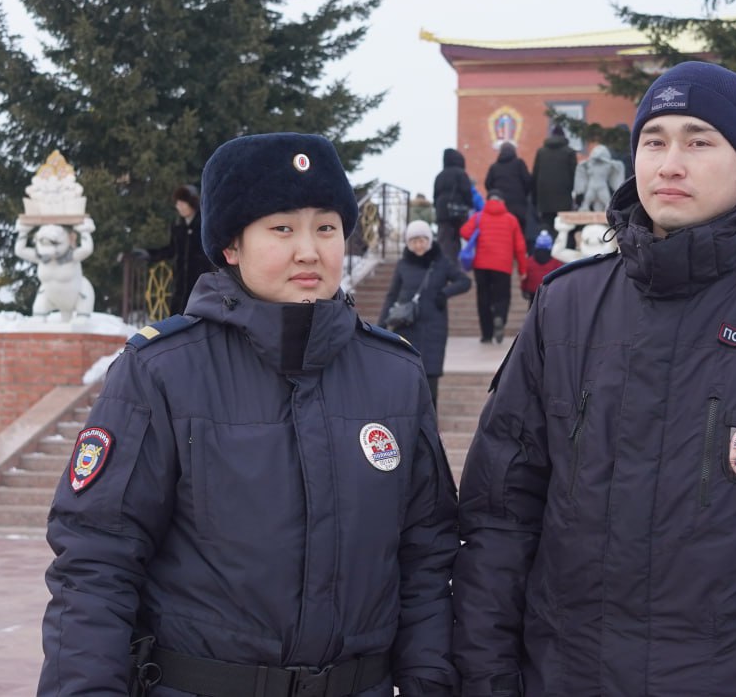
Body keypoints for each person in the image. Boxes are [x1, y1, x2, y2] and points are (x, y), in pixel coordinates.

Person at [452, 62, 736, 696]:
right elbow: (499, 519)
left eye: (699, 141)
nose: (670, 163)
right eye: (655, 141)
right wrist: (484, 679)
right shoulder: (566, 310)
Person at [40, 132, 458, 697]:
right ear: (231, 246)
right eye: (282, 228)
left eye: (326, 228)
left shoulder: (394, 375)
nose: (308, 250)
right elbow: (97, 561)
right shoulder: (163, 372)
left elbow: (427, 557)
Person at [378, 219, 472, 408]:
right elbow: (392, 295)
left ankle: (430, 420)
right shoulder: (403, 264)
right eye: (413, 241)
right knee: (407, 373)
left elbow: (464, 282)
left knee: (430, 375)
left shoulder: (441, 262)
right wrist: (381, 324)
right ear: (408, 243)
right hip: (407, 326)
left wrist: (444, 293)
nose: (418, 245)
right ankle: (409, 418)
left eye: (422, 240)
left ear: (429, 240)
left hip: (434, 328)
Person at [134, 184, 215, 316]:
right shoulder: (178, 225)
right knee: (176, 317)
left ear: (192, 203)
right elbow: (171, 250)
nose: (179, 207)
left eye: (183, 203)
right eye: (178, 203)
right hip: (180, 284)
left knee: (196, 318)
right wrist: (150, 254)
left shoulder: (204, 224)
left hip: (200, 283)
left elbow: (213, 251)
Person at [459, 191, 525, 345]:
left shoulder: (478, 216)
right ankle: (500, 316)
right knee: (502, 296)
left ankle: (486, 335)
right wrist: (522, 270)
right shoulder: (511, 219)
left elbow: (464, 231)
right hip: (503, 265)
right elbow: (520, 247)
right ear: (502, 201)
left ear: (487, 200)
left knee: (483, 298)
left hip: (481, 265)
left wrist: (476, 234)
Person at [531, 124, 577, 237]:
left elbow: (535, 175)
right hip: (564, 197)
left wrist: (534, 199)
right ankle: (562, 252)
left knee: (547, 227)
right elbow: (575, 175)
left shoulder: (541, 152)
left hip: (544, 198)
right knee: (564, 229)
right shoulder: (569, 152)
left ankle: (547, 252)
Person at [434, 148, 474, 266]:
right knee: (456, 239)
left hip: (442, 213)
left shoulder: (439, 176)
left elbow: (435, 195)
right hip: (458, 212)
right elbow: (467, 192)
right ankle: (453, 266)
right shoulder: (461, 174)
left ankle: (443, 264)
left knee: (444, 240)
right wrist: (469, 205)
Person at [484, 142, 533, 238]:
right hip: (519, 207)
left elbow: (487, 184)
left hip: (501, 207)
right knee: (518, 234)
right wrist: (524, 194)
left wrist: (496, 195)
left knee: (502, 234)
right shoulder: (519, 164)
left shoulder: (494, 167)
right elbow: (528, 181)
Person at [519, 230, 562, 304]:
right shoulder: (556, 262)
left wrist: (524, 289)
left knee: (532, 308)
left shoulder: (529, 261)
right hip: (549, 291)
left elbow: (525, 277)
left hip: (533, 290)